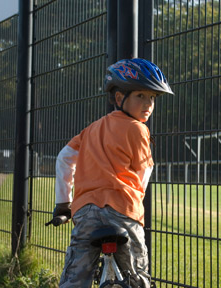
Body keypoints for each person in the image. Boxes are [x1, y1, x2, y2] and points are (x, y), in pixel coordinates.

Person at [53, 58, 173, 288]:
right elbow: (144, 172)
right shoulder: (139, 129)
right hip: (122, 212)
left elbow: (64, 159)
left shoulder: (90, 130)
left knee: (74, 277)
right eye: (141, 96)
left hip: (85, 213)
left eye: (153, 97)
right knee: (136, 277)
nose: (148, 103)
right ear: (120, 98)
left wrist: (63, 204)